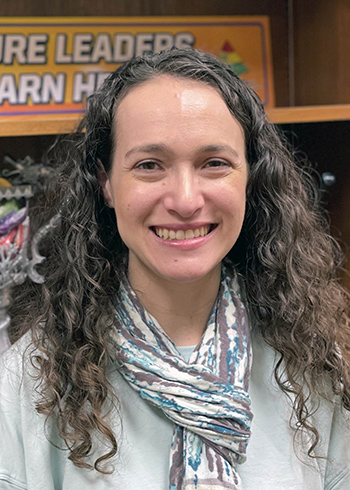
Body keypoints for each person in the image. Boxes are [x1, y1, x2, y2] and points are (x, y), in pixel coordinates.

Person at [0, 48, 350, 490]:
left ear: (250, 178)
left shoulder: (315, 363)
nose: (185, 200)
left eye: (214, 164)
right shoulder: (28, 381)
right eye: (149, 165)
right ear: (105, 182)